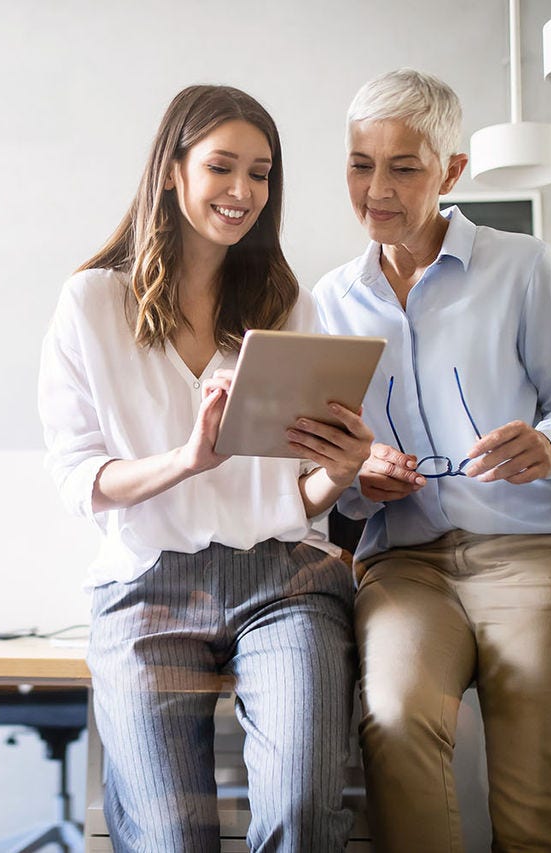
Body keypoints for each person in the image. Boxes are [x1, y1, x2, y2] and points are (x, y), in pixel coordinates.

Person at [38, 84, 373, 852]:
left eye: (260, 174)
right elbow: (78, 478)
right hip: (146, 586)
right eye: (222, 167)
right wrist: (187, 461)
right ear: (171, 170)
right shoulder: (92, 305)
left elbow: (298, 494)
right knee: (166, 837)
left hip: (284, 579)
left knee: (301, 808)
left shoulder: (284, 303)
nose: (243, 192)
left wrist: (340, 471)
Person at [311, 68, 551, 852]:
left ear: (452, 172)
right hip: (405, 565)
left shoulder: (523, 267)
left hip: (539, 551)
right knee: (393, 723)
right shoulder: (328, 302)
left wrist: (547, 445)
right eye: (359, 163)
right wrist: (362, 481)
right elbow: (333, 482)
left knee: (534, 814)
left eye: (403, 167)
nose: (375, 189)